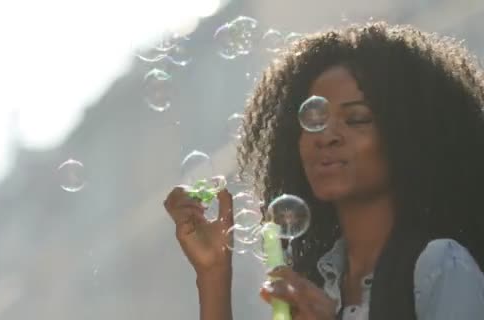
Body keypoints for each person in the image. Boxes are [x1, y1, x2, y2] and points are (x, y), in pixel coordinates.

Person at [163, 21, 484, 320]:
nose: (326, 137)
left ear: (407, 135)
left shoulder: (438, 263)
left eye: (356, 119)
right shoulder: (319, 281)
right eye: (313, 120)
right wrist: (214, 274)